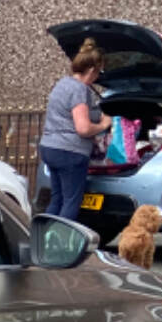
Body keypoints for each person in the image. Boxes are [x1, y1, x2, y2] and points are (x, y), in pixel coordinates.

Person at [39, 41, 115, 222]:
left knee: (57, 199)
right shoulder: (79, 90)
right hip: (70, 153)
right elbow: (83, 128)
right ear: (91, 70)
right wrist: (104, 125)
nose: (98, 76)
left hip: (49, 148)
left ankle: (43, 240)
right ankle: (62, 247)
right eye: (99, 72)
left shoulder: (62, 84)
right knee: (71, 203)